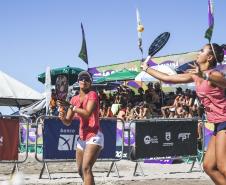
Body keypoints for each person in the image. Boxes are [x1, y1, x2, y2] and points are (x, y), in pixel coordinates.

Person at [141, 43, 226, 185]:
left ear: (209, 57)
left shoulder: (214, 74)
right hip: (218, 124)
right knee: (209, 167)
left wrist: (204, 75)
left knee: (223, 166)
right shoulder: (195, 76)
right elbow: (168, 79)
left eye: (201, 51)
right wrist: (147, 69)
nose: (198, 53)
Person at [58, 71, 104, 185]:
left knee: (86, 168)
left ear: (90, 83)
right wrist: (63, 117)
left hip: (94, 135)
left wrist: (70, 106)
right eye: (82, 79)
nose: (84, 81)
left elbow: (87, 113)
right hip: (82, 138)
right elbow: (68, 122)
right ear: (78, 81)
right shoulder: (74, 99)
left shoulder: (92, 94)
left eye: (87, 79)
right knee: (80, 170)